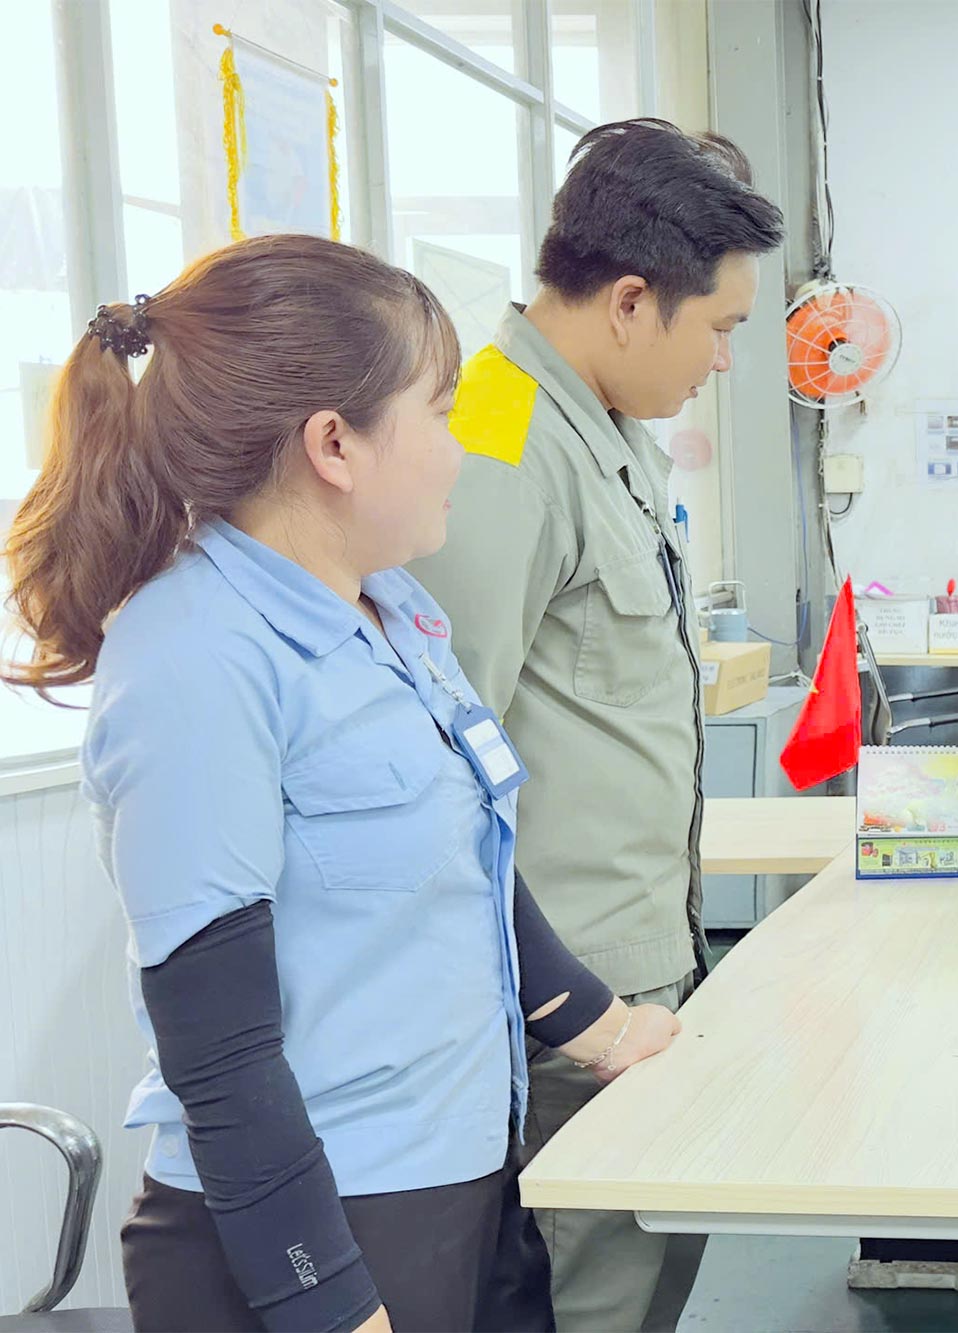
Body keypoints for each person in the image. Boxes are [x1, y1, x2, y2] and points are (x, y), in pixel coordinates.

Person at [0, 235, 682, 1332]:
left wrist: (600, 1027)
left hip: (459, 1180)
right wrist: (327, 1302)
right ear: (334, 445)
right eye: (442, 411)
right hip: (304, 1240)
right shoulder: (198, 657)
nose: (462, 450)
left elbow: (470, 858)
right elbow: (219, 1053)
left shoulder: (394, 611)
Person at [403, 118, 784, 1331]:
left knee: (642, 1281)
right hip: (562, 1000)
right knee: (587, 1302)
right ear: (630, 301)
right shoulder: (499, 437)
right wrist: (558, 1003)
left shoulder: (602, 427)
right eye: (719, 328)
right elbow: (433, 761)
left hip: (631, 967)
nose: (724, 360)